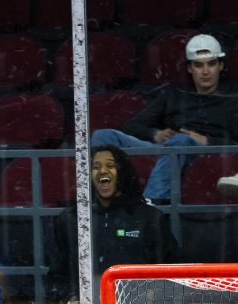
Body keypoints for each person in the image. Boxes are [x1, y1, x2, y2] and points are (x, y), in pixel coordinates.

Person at [90, 33, 238, 203]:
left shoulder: (232, 100)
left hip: (205, 154)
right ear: (190, 68)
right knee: (103, 136)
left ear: (220, 66)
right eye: (198, 65)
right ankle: (103, 203)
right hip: (167, 148)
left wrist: (207, 141)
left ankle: (152, 205)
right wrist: (155, 134)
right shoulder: (174, 94)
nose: (205, 71)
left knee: (181, 140)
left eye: (211, 64)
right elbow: (133, 126)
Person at [48, 145, 179, 304]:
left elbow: (171, 270)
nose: (103, 171)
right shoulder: (71, 219)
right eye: (96, 167)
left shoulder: (151, 218)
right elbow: (57, 275)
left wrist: (151, 296)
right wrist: (70, 297)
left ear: (123, 173)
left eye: (110, 165)